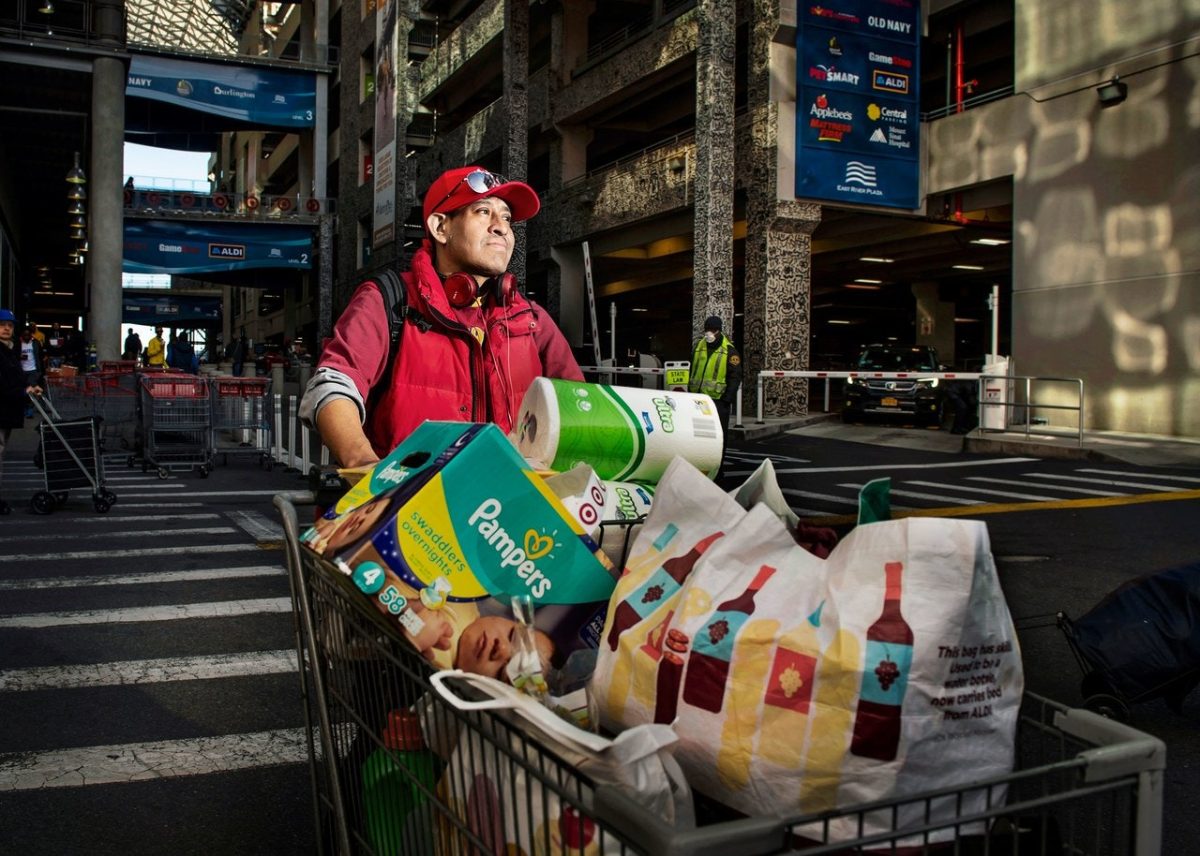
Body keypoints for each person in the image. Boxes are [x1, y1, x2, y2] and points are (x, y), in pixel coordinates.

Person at [302, 166, 583, 467]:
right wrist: (363, 464)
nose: (501, 226)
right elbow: (332, 386)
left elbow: (580, 411)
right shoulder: (388, 301)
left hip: (507, 507)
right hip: (411, 506)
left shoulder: (531, 320)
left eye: (506, 217)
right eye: (483, 211)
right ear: (440, 228)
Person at [689, 314, 742, 480]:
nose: (709, 333)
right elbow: (693, 370)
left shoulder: (729, 350)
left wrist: (727, 399)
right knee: (698, 436)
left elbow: (735, 377)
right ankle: (699, 467)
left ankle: (717, 471)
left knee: (719, 439)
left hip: (718, 402)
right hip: (698, 401)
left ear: (719, 331)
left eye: (712, 330)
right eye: (707, 330)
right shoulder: (699, 346)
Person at [1, 309, 43, 514]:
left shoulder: (9, 350)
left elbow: (15, 376)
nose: (6, 328)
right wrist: (23, 390)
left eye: (9, 325)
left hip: (6, 412)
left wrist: (29, 387)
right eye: (2, 325)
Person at [18, 325, 44, 418]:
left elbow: (41, 356)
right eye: (24, 335)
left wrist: (41, 371)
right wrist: (19, 357)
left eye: (28, 335)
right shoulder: (18, 344)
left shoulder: (35, 343)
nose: (26, 337)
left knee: (31, 388)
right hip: (22, 371)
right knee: (24, 391)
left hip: (33, 370)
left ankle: (30, 410)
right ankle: (25, 408)